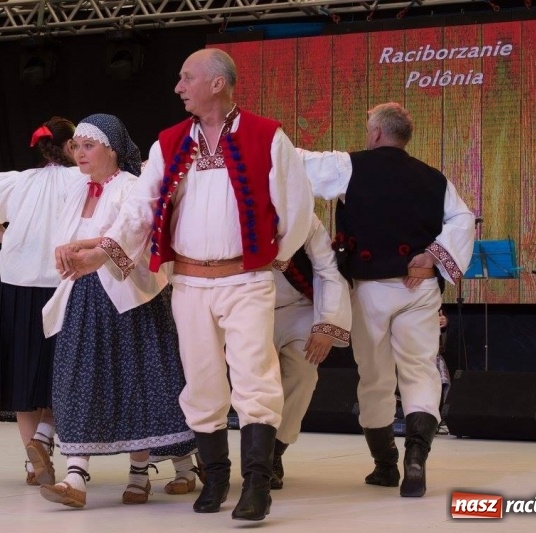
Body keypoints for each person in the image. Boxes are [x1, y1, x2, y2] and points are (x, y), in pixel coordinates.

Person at [54, 49, 314, 521]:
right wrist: (102, 253)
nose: (178, 86)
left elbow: (296, 208)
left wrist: (266, 259)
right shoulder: (169, 142)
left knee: (255, 378)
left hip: (246, 279)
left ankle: (257, 485)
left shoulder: (267, 136)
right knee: (201, 382)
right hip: (191, 283)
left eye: (186, 77)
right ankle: (214, 477)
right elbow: (142, 210)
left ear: (217, 83)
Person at [298, 102, 475, 498]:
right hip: (420, 288)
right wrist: (432, 256)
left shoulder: (350, 166)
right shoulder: (434, 178)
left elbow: (296, 163)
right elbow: (463, 220)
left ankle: (385, 466)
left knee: (375, 377)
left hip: (370, 289)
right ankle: (416, 459)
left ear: (376, 132)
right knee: (420, 370)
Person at [39, 114, 197, 510]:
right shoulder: (76, 191)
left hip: (130, 298)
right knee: (79, 378)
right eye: (75, 146)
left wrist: (85, 248)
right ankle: (74, 476)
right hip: (82, 296)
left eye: (88, 145)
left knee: (139, 379)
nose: (79, 153)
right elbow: (63, 240)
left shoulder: (131, 187)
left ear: (111, 149)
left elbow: (139, 236)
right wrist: (69, 252)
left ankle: (141, 474)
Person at [0, 117, 83, 487]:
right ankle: (44, 438)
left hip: (15, 284)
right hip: (63, 281)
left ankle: (35, 464)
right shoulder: (82, 181)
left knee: (23, 373)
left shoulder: (17, 182)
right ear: (70, 147)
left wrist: (3, 235)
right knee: (58, 369)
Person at [270, 213, 352, 490]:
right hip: (249, 309)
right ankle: (253, 450)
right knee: (259, 381)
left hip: (300, 307)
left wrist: (327, 323)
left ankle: (274, 452)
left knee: (303, 372)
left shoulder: (303, 216)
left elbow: (328, 270)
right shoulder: (231, 206)